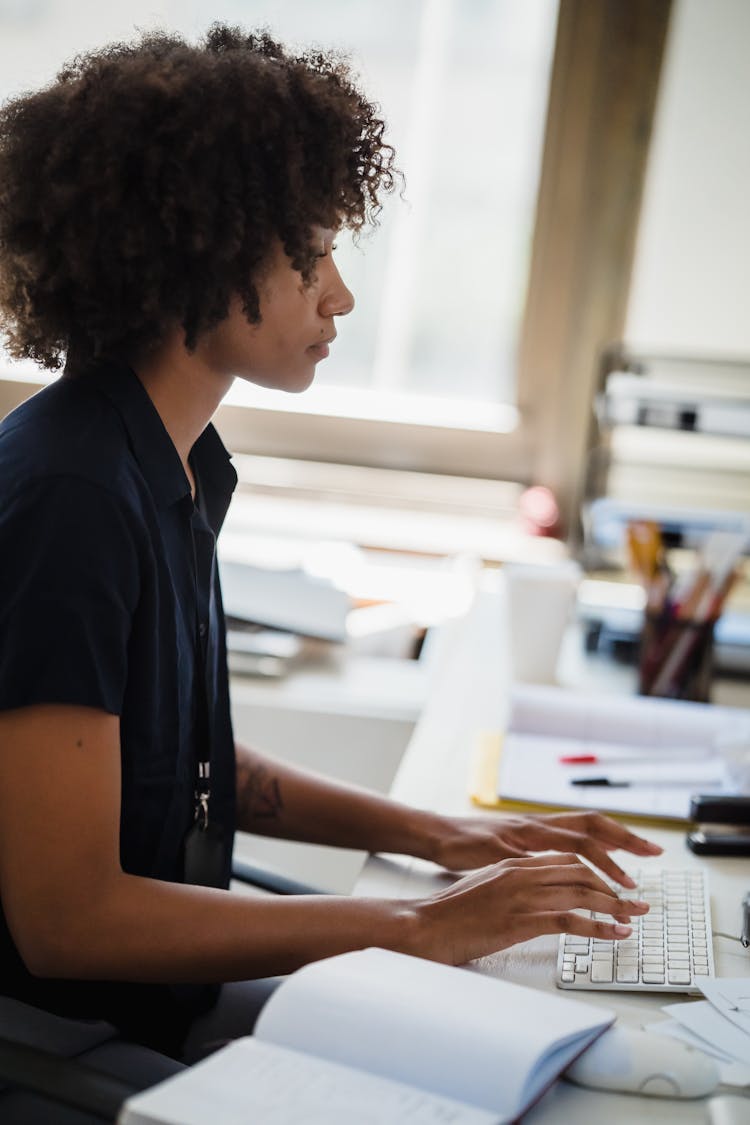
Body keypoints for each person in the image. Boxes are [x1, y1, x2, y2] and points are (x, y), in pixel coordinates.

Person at [0, 23, 661, 1073]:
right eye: (308, 253)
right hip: (72, 1032)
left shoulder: (168, 461)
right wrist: (411, 928)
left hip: (158, 994)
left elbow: (184, 765)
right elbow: (66, 920)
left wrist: (442, 836)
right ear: (197, 253)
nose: (338, 293)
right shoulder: (72, 497)